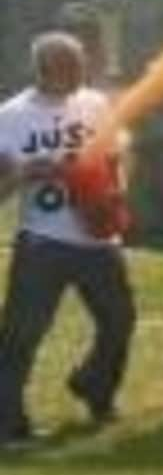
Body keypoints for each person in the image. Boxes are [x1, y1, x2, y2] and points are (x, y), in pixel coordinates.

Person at [0, 33, 134, 447]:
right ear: (44, 70)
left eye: (81, 65)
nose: (81, 74)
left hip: (98, 240)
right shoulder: (11, 117)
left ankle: (95, 387)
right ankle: (8, 425)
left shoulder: (95, 103)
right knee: (22, 335)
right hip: (44, 241)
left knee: (119, 320)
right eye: (70, 67)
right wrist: (25, 174)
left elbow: (118, 155)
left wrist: (113, 194)